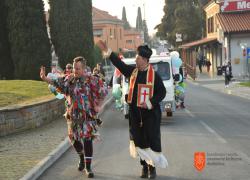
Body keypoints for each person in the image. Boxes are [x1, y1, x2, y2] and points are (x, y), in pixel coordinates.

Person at [97, 41, 168, 179]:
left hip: (150, 115)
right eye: (136, 57)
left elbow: (162, 92)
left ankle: (152, 168)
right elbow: (120, 65)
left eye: (138, 58)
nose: (136, 59)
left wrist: (149, 102)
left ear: (145, 60)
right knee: (139, 141)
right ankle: (144, 167)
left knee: (151, 141)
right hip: (135, 114)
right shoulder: (133, 72)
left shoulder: (155, 76)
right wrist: (109, 52)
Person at [40, 56, 107, 178]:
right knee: (74, 140)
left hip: (87, 117)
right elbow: (56, 82)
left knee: (87, 139)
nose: (75, 71)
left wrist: (99, 105)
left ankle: (88, 167)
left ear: (84, 68)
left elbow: (104, 91)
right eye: (74, 68)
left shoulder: (92, 80)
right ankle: (81, 157)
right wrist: (45, 78)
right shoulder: (69, 80)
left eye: (78, 68)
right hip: (73, 118)